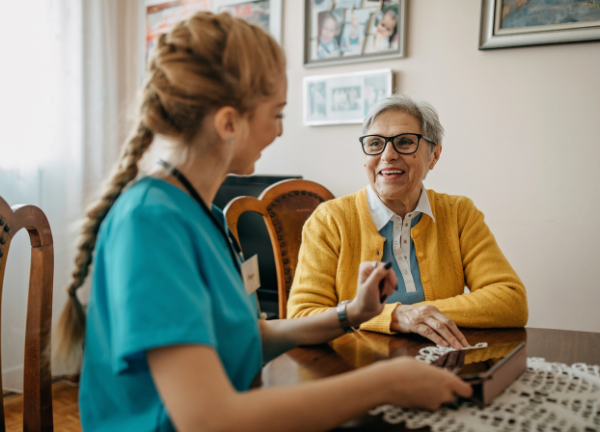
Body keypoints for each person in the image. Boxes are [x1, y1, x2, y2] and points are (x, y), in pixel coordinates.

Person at [54, 13, 471, 432]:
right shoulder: (149, 224)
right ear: (229, 122)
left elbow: (251, 336)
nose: (280, 130)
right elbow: (208, 419)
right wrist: (383, 382)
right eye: (276, 113)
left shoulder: (203, 214)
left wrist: (351, 313)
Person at [287, 94, 529, 350]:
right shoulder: (328, 220)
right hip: (353, 366)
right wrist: (394, 317)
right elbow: (303, 315)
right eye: (375, 143)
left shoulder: (459, 213)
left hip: (441, 364)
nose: (387, 155)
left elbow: (510, 300)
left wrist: (416, 314)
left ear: (434, 155)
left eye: (404, 142)